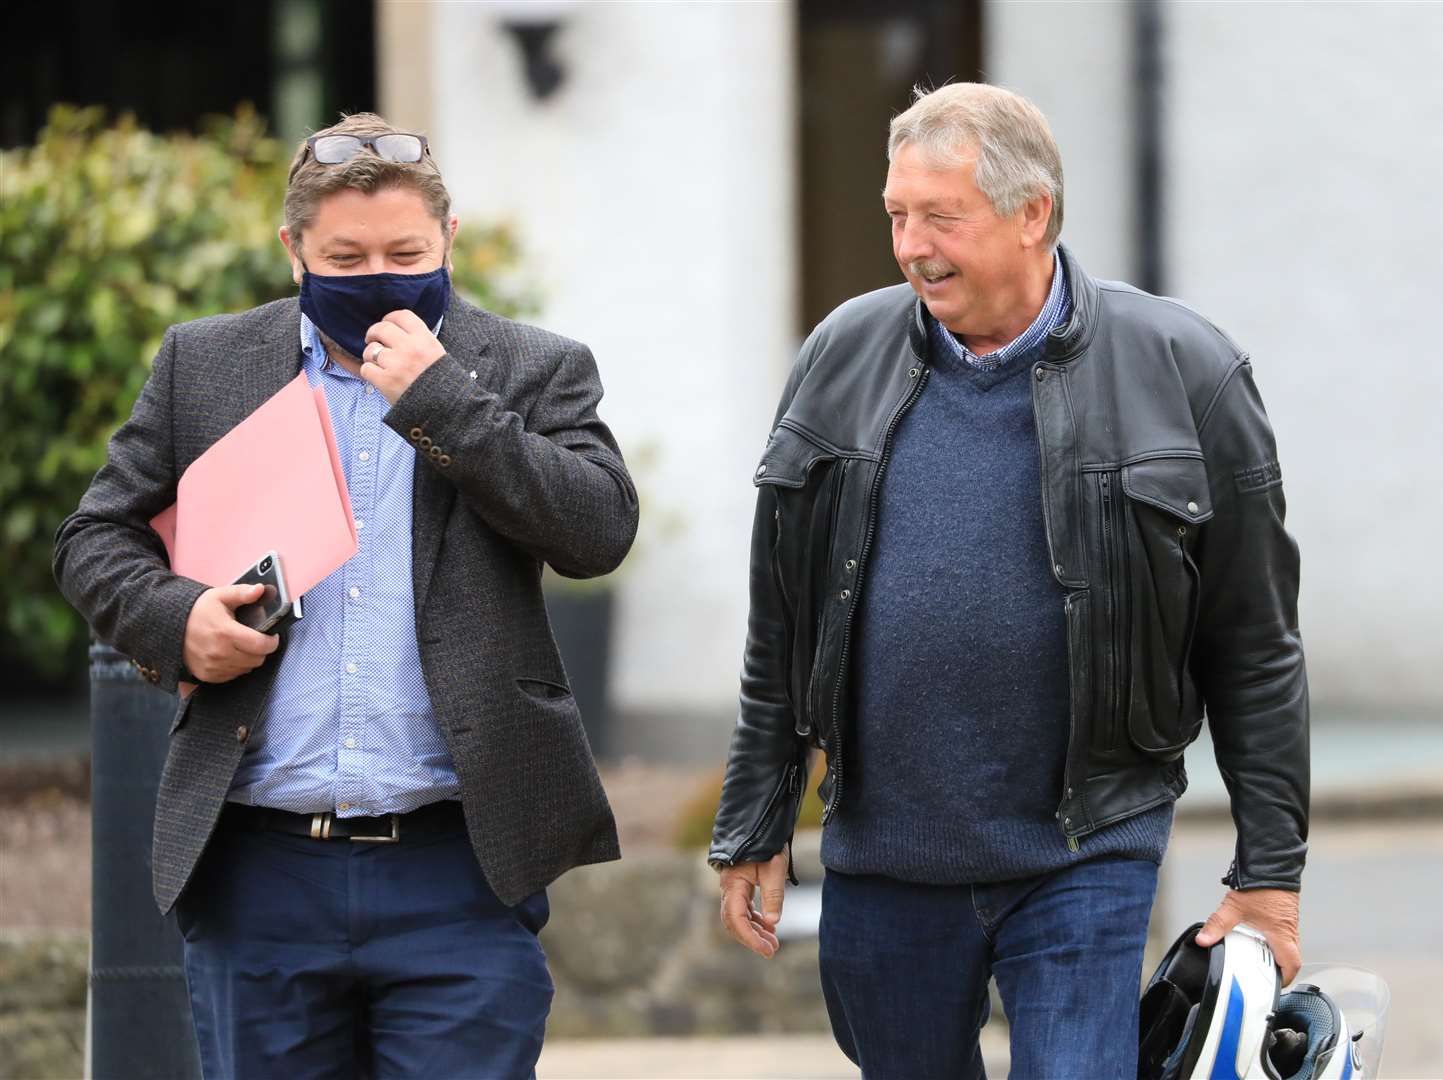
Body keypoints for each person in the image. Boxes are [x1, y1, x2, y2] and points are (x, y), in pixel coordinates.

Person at [709, 83, 1308, 1079]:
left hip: (1084, 849)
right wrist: (753, 821)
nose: (910, 246)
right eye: (897, 215)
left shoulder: (1184, 370)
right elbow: (782, 618)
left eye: (940, 217)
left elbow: (1254, 644)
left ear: (1032, 213)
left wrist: (1269, 875)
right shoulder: (836, 357)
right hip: (883, 861)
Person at [53, 112, 638, 1078]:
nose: (378, 277)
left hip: (460, 869)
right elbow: (93, 538)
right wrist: (176, 621)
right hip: (259, 870)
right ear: (293, 252)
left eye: (405, 252)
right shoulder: (207, 364)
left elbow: (597, 531)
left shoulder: (535, 367)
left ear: (448, 240)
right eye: (346, 256)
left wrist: (441, 398)